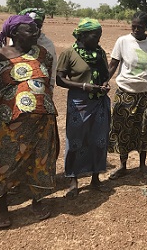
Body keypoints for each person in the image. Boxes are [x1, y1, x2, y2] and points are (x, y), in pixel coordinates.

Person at [0, 15, 59, 228]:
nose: (35, 32)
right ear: (14, 34)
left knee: (39, 161)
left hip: (42, 120)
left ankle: (37, 202)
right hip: (9, 122)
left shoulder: (43, 54)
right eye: (28, 30)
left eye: (35, 29)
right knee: (4, 163)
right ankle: (3, 208)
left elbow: (47, 84)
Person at [56, 18, 111, 198]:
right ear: (83, 35)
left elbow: (105, 75)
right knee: (76, 141)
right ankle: (73, 179)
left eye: (100, 36)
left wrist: (104, 84)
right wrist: (84, 86)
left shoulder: (100, 53)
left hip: (99, 101)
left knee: (99, 140)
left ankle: (96, 178)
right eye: (95, 36)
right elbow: (60, 79)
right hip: (79, 102)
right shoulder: (69, 53)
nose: (98, 40)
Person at [107, 12, 147, 180]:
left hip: (145, 94)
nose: (136, 30)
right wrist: (104, 82)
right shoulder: (122, 41)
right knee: (122, 128)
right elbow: (113, 64)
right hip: (125, 91)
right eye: (134, 26)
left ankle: (142, 166)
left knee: (143, 130)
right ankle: (122, 165)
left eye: (140, 27)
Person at [19, 8, 58, 90]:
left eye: (38, 26)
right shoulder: (15, 42)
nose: (35, 29)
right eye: (31, 25)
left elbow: (52, 70)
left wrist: (50, 89)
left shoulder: (47, 45)